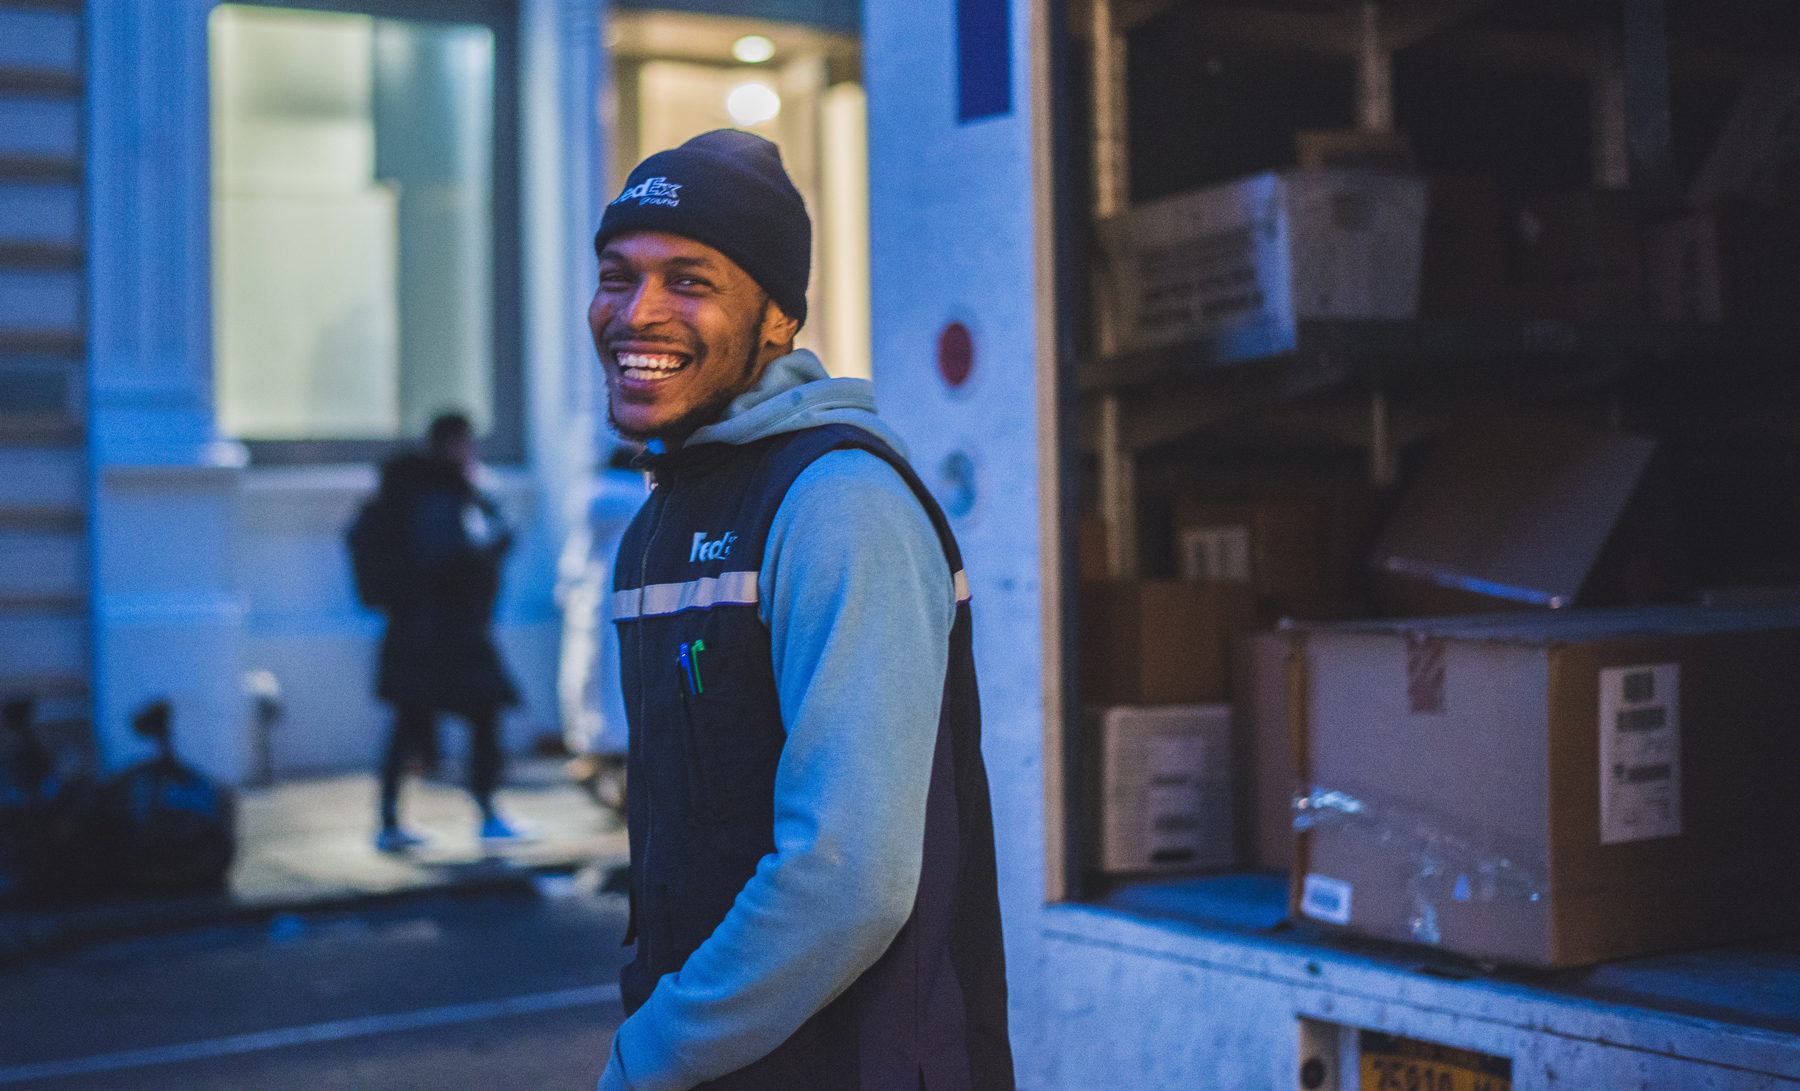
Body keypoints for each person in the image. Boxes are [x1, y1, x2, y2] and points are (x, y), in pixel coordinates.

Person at [592, 129, 1013, 1091]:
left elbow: (848, 880)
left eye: (689, 281)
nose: (637, 312)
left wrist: (649, 1051)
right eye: (619, 275)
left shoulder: (837, 503)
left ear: (780, 318)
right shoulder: (664, 519)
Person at [370, 412, 528, 852]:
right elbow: (447, 563)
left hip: (424, 635)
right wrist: (493, 548)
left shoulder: (437, 492)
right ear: (449, 445)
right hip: (442, 637)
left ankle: (392, 822)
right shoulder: (437, 497)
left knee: (416, 722)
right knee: (475, 713)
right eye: (465, 444)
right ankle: (483, 813)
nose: (470, 453)